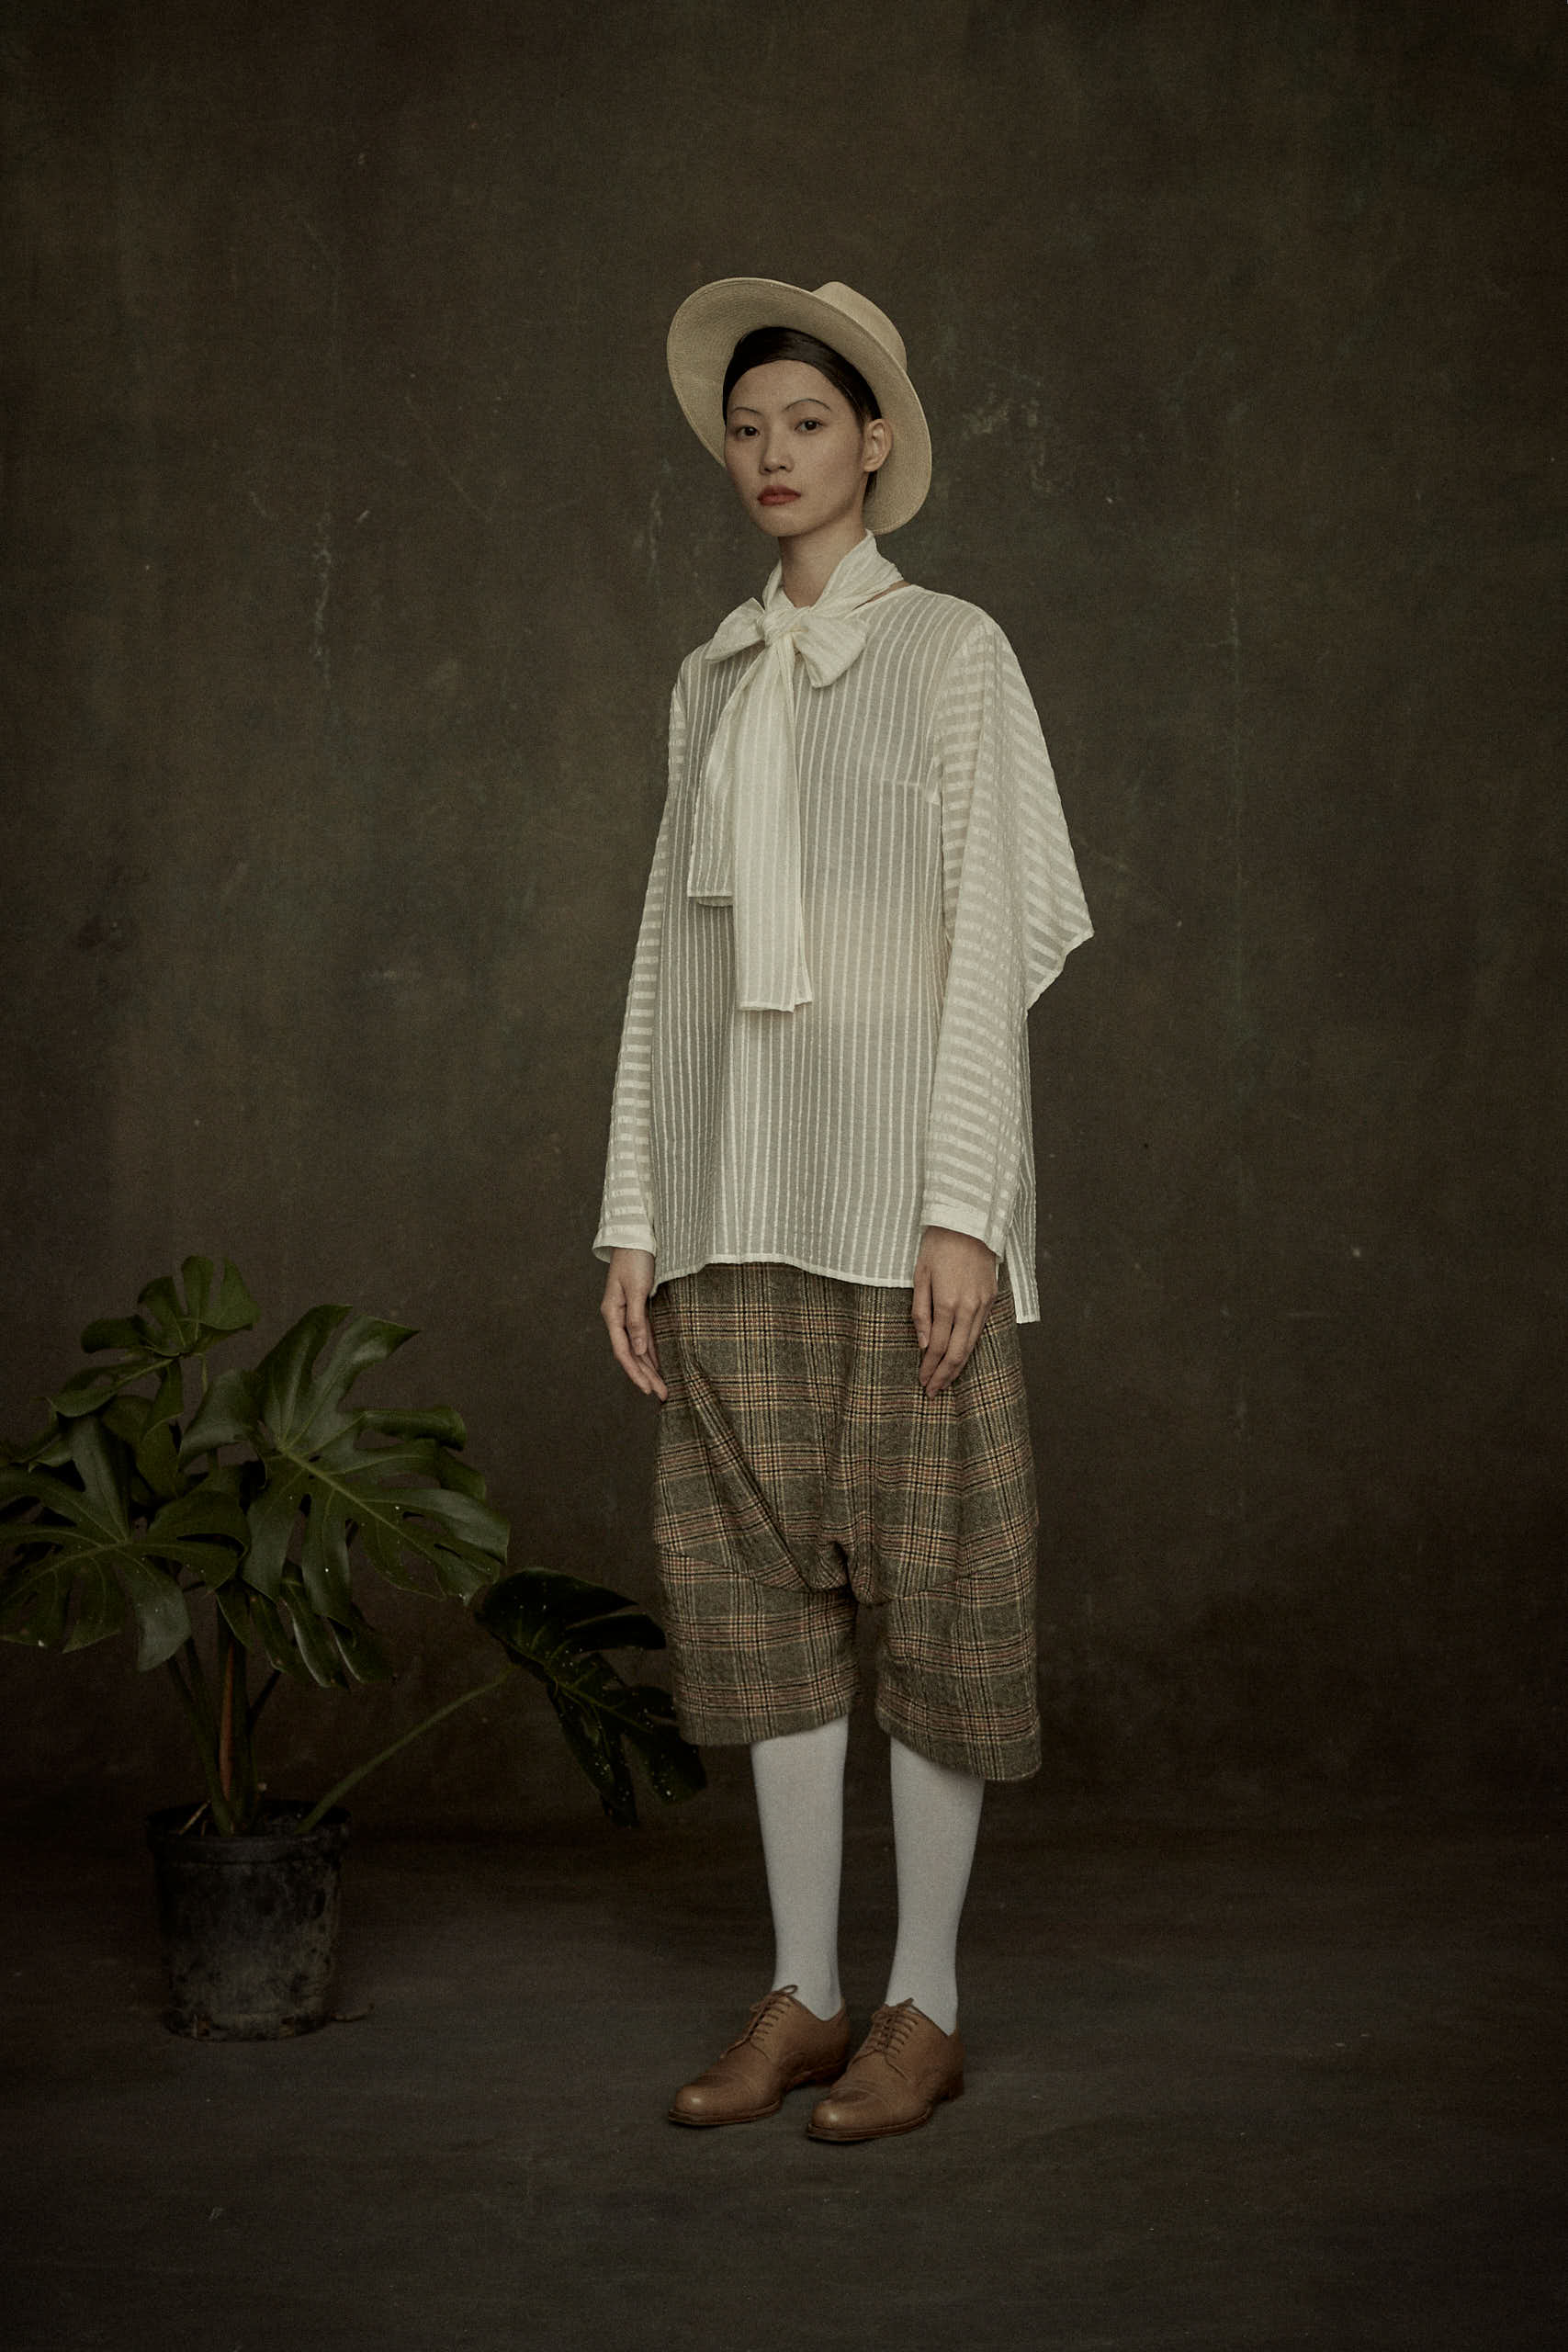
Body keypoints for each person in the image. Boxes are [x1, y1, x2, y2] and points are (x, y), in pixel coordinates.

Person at [595, 277, 1091, 2143]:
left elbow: (991, 942)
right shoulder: (709, 677)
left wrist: (964, 1205)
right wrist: (633, 1209)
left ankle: (922, 2005)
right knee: (763, 1613)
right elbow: (664, 956)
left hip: (895, 1210)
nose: (770, 456)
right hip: (733, 1201)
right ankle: (803, 1993)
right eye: (746, 429)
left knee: (939, 1604)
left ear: (874, 441)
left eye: (804, 423)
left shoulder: (953, 651)